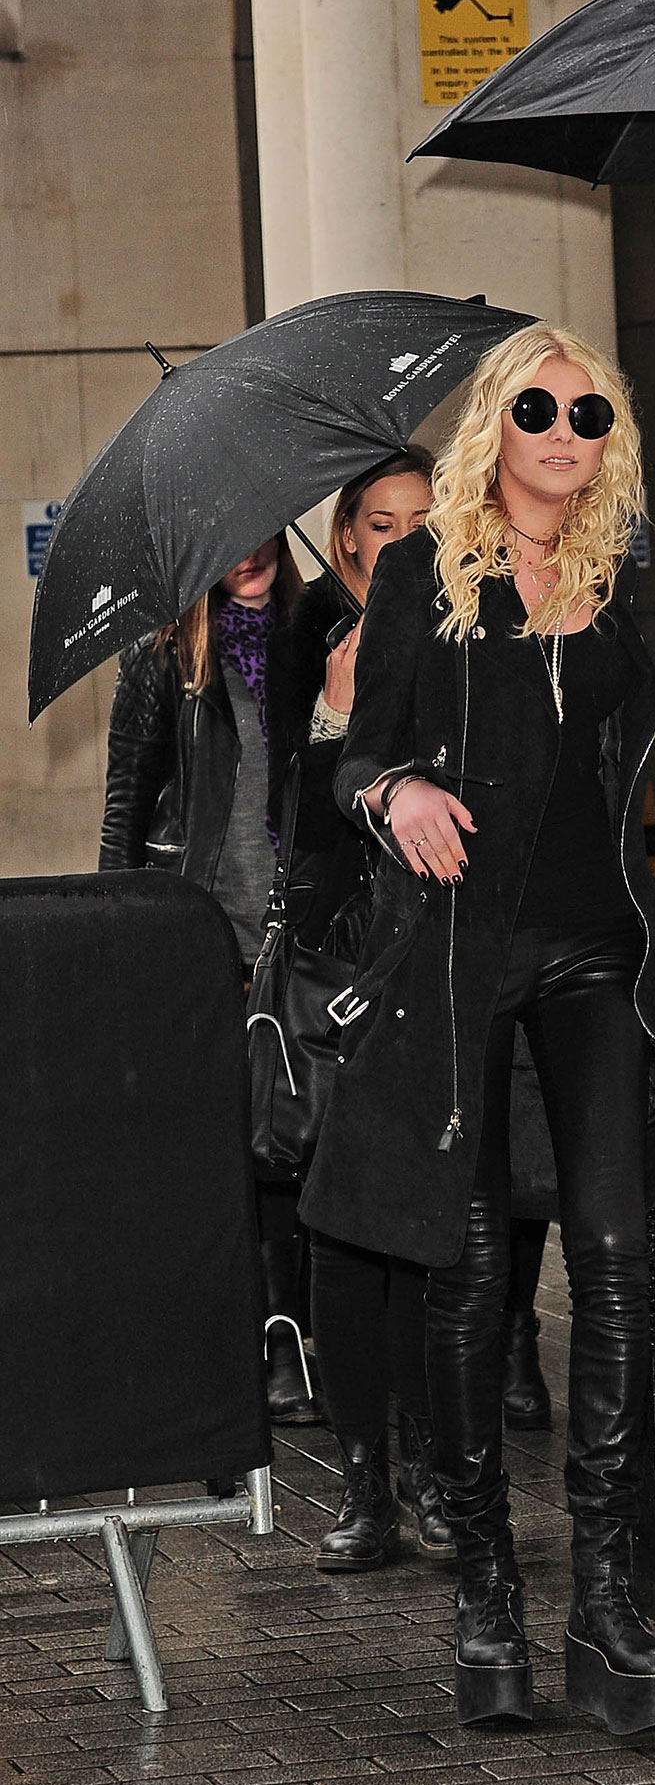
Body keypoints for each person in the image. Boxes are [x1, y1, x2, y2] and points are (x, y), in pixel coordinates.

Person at [301, 323, 655, 1730]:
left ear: (608, 439)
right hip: (463, 958)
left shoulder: (612, 574)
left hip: (596, 949)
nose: (561, 428)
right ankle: (487, 1594)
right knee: (472, 1278)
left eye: (587, 409)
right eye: (536, 404)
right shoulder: (425, 573)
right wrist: (392, 794)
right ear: (499, 423)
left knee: (618, 1257)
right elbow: (359, 757)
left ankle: (605, 1603)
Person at [265, 451, 453, 1569]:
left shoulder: (470, 625)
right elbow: (295, 834)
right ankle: (366, 1481)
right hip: (342, 968)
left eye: (421, 519)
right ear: (346, 542)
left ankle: (432, 1466)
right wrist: (337, 724)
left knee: (429, 1228)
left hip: (437, 958)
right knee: (340, 1232)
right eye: (379, 523)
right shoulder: (312, 644)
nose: (400, 539)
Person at [98, 536, 319, 1424]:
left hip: (302, 934)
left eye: (260, 525)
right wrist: (121, 936)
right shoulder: (164, 651)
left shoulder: (321, 630)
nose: (247, 550)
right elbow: (128, 797)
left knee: (304, 1131)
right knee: (238, 1140)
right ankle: (266, 1335)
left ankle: (309, 1331)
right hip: (203, 937)